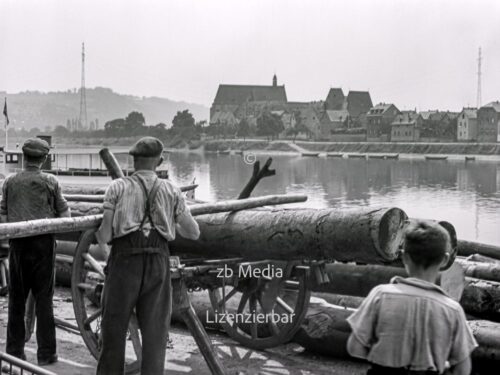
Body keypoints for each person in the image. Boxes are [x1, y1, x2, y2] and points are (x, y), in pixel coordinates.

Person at [95, 137, 200, 374]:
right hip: (158, 262)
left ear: (133, 161)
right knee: (155, 334)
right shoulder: (172, 189)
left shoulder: (117, 188)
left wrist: (105, 238)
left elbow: (103, 235)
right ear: (160, 161)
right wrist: (171, 224)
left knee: (113, 330)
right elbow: (193, 232)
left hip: (124, 263)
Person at [346, 219, 478, 375]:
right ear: (444, 259)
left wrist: (383, 353)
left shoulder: (380, 295)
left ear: (404, 257)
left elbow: (354, 347)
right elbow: (463, 369)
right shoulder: (452, 310)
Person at [0, 137, 70, 365]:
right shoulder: (50, 181)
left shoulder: (10, 181)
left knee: (16, 301)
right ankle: (46, 354)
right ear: (44, 158)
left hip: (18, 244)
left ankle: (14, 352)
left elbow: (3, 216)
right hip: (43, 246)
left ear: (24, 157)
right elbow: (65, 216)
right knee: (44, 301)